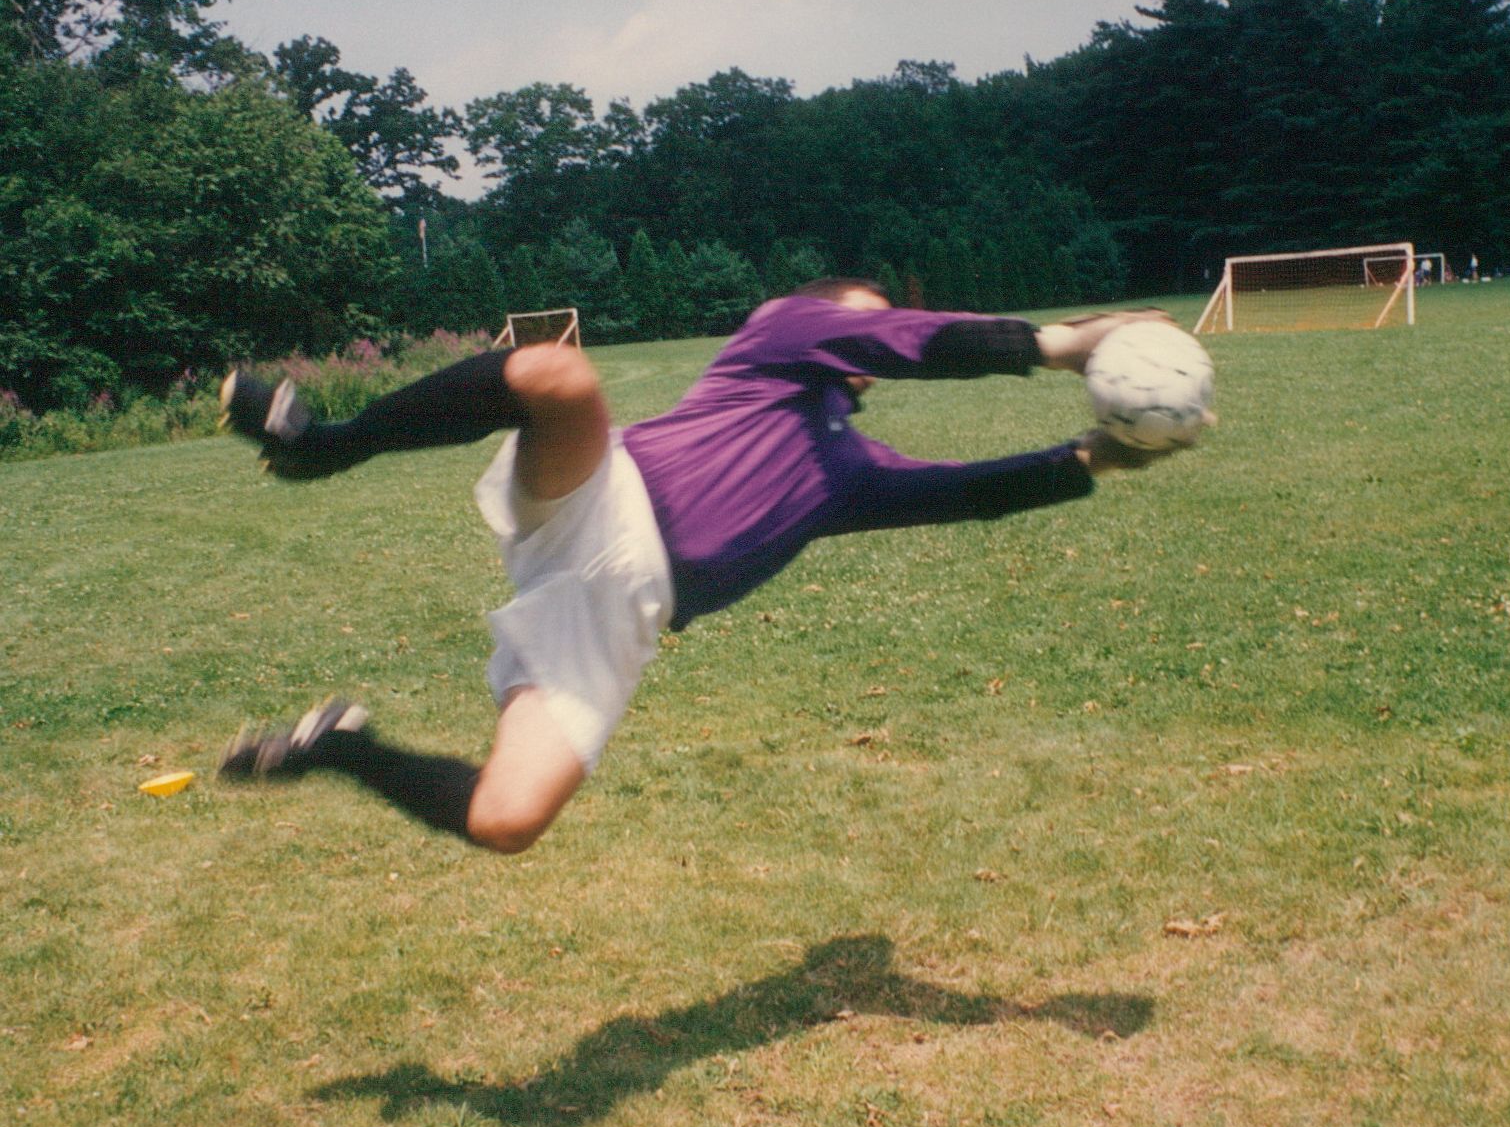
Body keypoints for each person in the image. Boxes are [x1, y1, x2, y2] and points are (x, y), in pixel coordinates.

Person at [216, 278, 1198, 853]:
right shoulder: (779, 334)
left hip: (617, 620)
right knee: (559, 374)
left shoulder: (851, 470)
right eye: (862, 320)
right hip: (596, 498)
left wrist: (1090, 461)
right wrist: (1059, 344)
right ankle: (326, 446)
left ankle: (341, 749)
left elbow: (966, 493)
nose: (873, 334)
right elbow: (911, 339)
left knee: (508, 818)